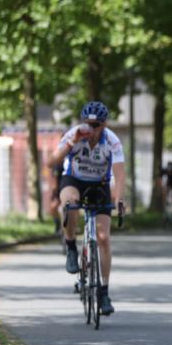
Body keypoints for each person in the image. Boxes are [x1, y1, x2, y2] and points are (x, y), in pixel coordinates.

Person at [48, 101, 126, 316]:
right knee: (70, 203)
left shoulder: (112, 141)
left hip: (99, 184)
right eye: (88, 123)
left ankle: (104, 291)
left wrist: (119, 200)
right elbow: (51, 161)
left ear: (104, 125)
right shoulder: (74, 134)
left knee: (103, 237)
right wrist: (69, 144)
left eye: (97, 125)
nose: (91, 129)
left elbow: (119, 175)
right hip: (74, 179)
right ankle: (71, 247)